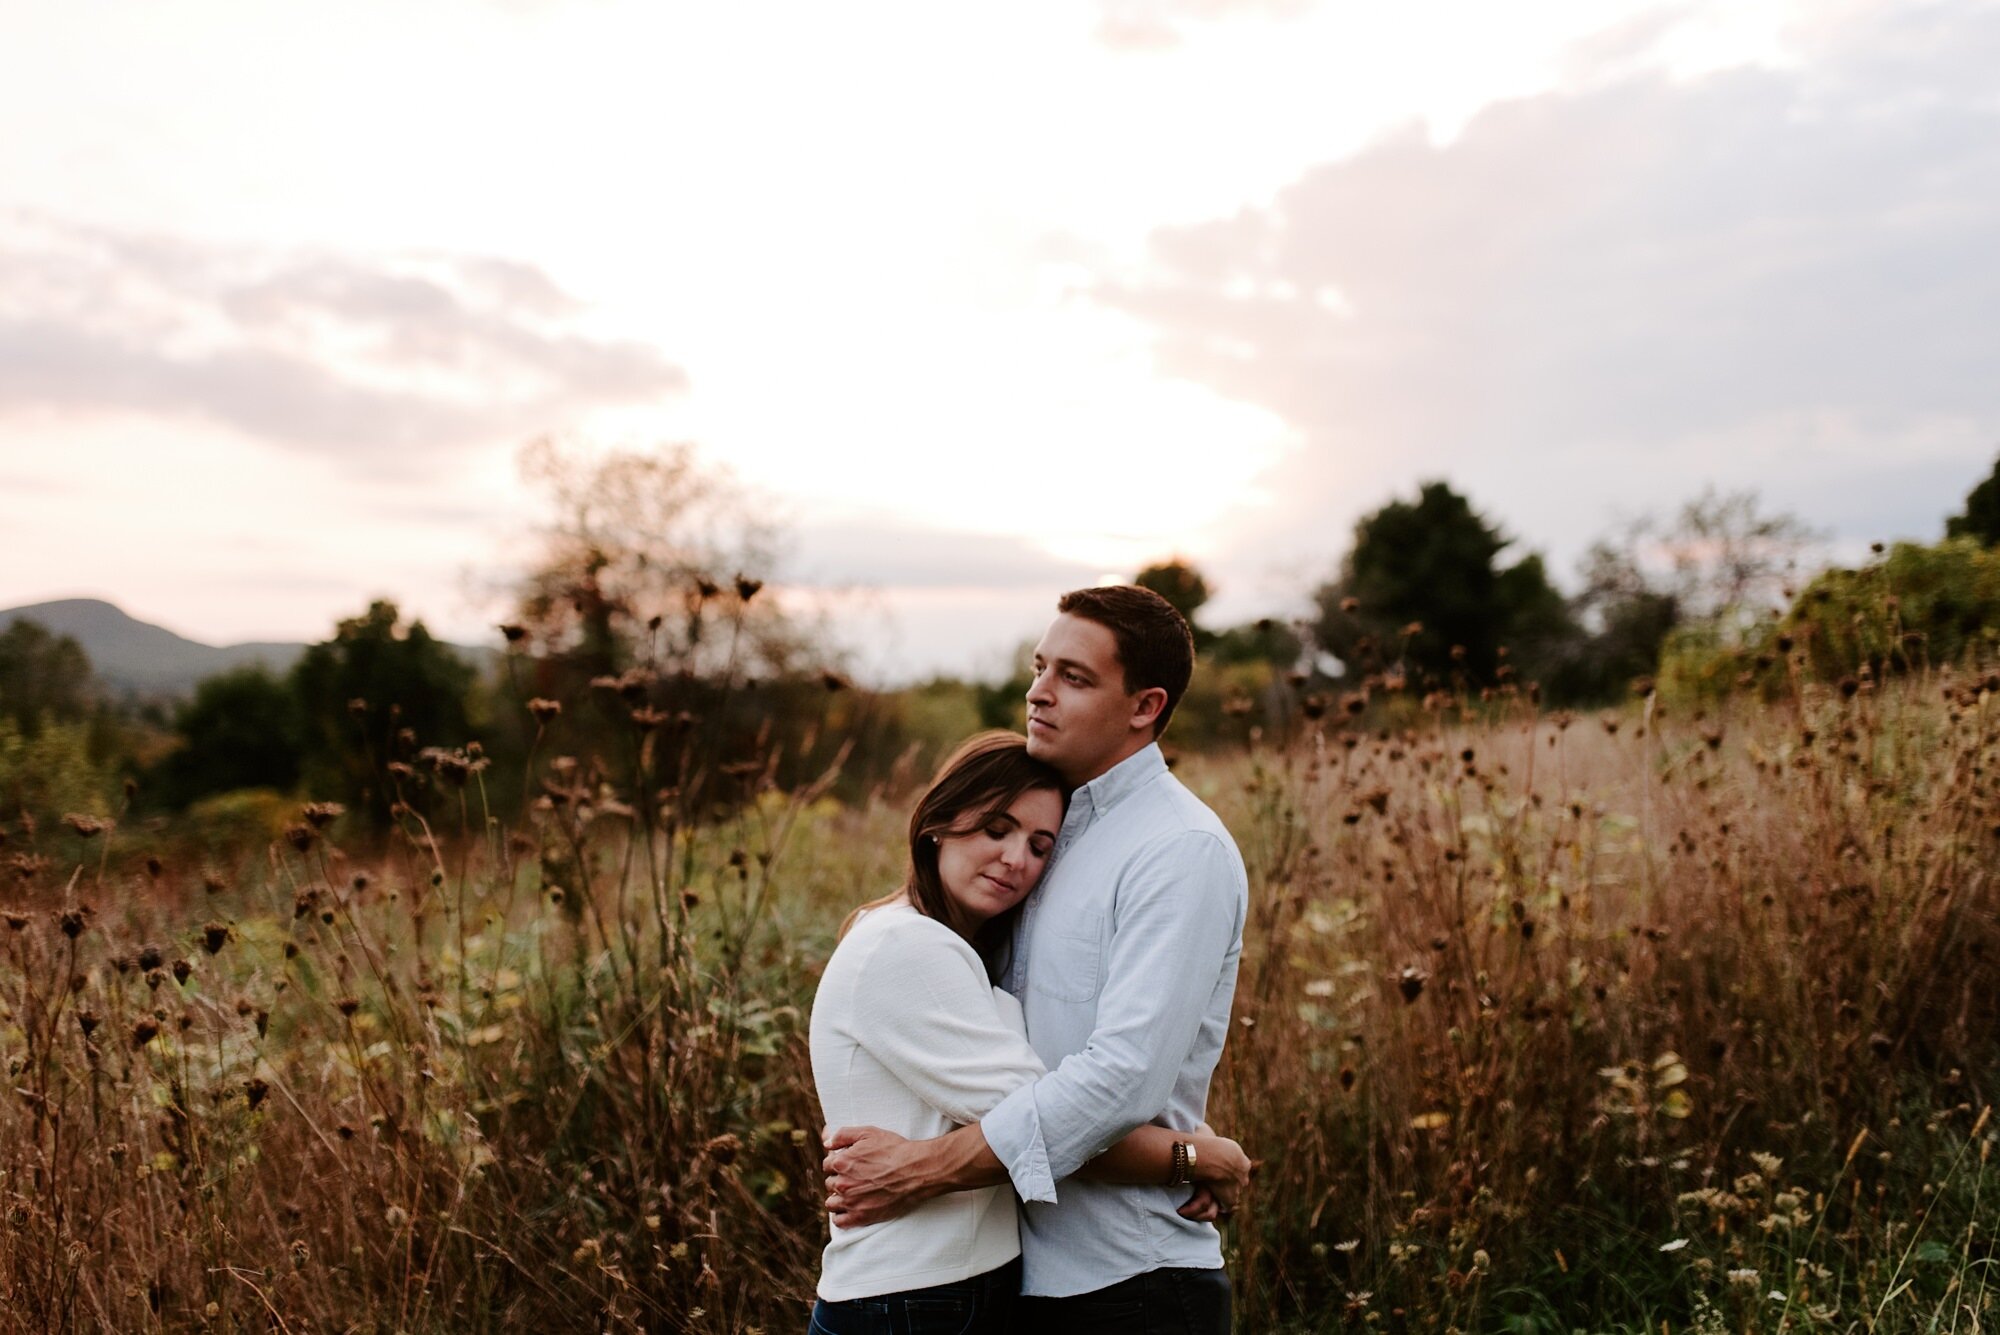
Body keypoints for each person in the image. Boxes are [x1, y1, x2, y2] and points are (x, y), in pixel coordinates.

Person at [822, 586, 1251, 1334]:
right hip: (1023, 1279)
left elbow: (1120, 1077)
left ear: (1145, 705)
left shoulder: (1178, 850)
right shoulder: (1052, 833)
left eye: (1073, 677)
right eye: (1038, 666)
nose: (1036, 692)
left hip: (1129, 1277)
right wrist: (1193, 1153)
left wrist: (928, 1166)